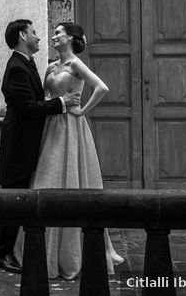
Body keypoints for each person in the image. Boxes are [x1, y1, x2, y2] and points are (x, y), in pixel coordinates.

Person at [31, 22, 125, 279]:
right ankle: (45, 253)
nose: (53, 36)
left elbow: (101, 88)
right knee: (47, 179)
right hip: (52, 126)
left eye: (58, 33)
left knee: (72, 178)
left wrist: (82, 111)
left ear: (71, 38)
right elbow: (43, 98)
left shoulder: (75, 64)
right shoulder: (51, 67)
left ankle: (71, 254)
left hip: (72, 127)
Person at [0, 19, 80, 274]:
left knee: (20, 194)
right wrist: (62, 103)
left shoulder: (27, 63)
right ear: (23, 35)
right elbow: (30, 108)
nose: (39, 37)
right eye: (34, 33)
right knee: (13, 197)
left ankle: (14, 249)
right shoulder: (17, 67)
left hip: (30, 138)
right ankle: (4, 254)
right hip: (19, 142)